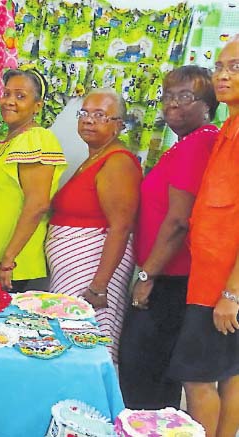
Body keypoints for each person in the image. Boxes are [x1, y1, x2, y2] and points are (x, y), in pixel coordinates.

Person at [119, 66, 219, 410]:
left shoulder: (199, 143)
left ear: (208, 105)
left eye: (185, 96)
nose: (173, 103)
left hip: (170, 279)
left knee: (143, 371)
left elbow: (178, 221)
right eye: (169, 96)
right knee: (150, 372)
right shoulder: (186, 144)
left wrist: (147, 276)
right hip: (166, 275)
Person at [167, 37, 239, 437]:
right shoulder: (229, 127)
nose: (223, 75)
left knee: (197, 380)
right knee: (229, 374)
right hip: (210, 279)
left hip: (220, 287)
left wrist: (232, 293)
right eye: (220, 66)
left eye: (235, 67)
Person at [46, 88, 142, 362]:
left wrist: (99, 286)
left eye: (100, 115)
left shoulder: (118, 162)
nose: (88, 120)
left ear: (119, 125)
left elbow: (121, 227)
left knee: (88, 347)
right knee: (68, 343)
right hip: (76, 272)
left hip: (93, 276)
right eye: (85, 113)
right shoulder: (96, 157)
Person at [0, 68, 66, 291]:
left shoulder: (36, 139)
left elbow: (37, 205)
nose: (9, 101)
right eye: (6, 94)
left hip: (12, 262)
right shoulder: (11, 141)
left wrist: (9, 259)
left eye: (20, 96)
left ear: (37, 106)